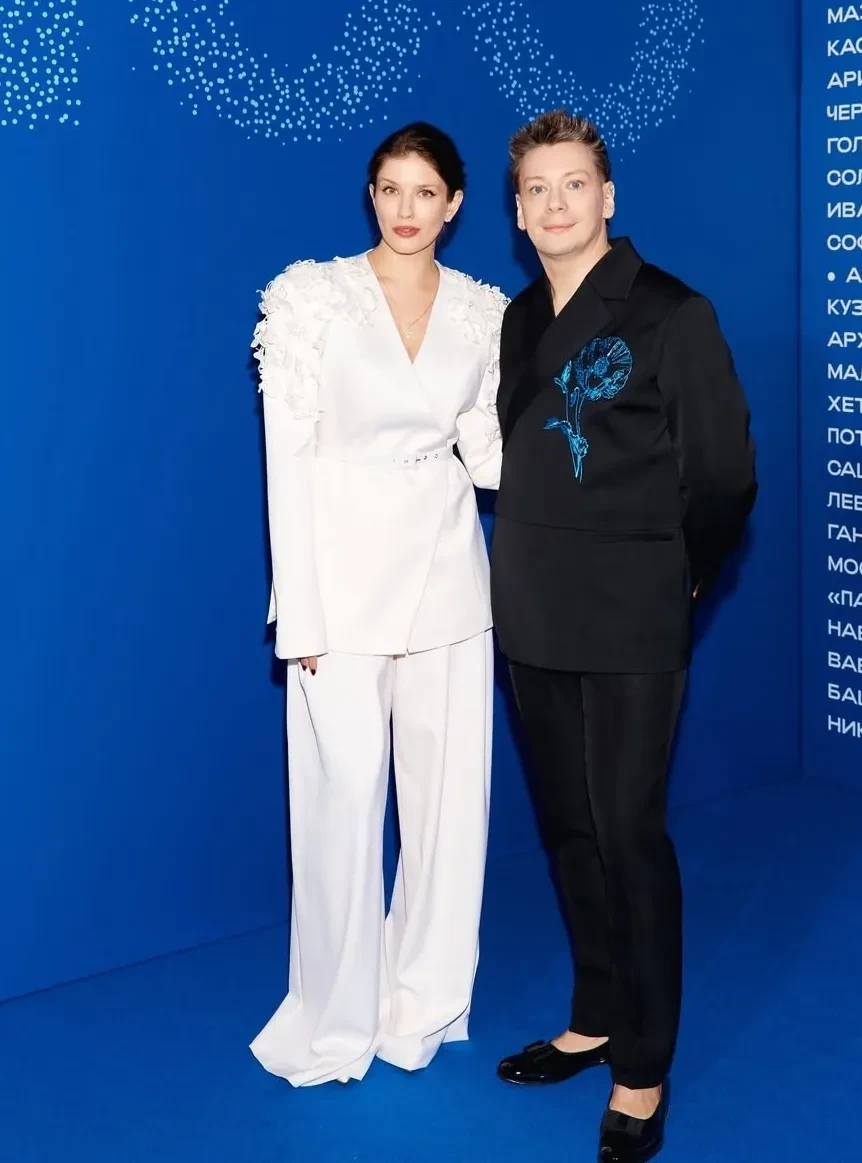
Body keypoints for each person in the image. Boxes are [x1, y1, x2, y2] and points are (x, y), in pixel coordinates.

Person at [490, 110, 757, 1161]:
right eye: (536, 189)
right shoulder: (520, 318)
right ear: (517, 213)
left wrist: (676, 574)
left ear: (607, 198)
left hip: (632, 615)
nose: (554, 203)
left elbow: (723, 475)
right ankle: (595, 1015)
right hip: (532, 607)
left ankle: (641, 1065)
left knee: (628, 834)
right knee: (567, 827)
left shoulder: (669, 310)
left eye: (572, 184)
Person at [248, 122, 508, 1087]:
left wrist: (596, 458)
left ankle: (424, 1004)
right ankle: (335, 1016)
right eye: (391, 189)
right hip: (339, 584)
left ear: (455, 204)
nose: (406, 209)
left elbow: (489, 453)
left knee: (447, 809)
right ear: (371, 194)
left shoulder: (483, 312)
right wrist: (301, 616)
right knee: (342, 798)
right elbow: (287, 461)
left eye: (425, 192)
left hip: (448, 579)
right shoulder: (308, 298)